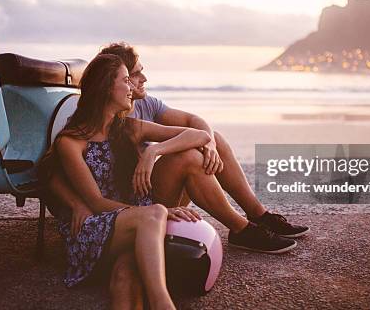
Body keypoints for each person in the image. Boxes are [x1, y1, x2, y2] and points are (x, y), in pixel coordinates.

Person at [40, 53, 209, 309]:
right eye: (126, 80)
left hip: (132, 226)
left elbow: (198, 136)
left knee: (126, 274)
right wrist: (156, 213)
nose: (132, 88)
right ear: (107, 87)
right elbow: (95, 203)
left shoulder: (129, 128)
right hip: (94, 228)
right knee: (154, 214)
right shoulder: (71, 142)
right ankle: (162, 302)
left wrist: (154, 152)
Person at [99, 42, 309, 244]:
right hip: (134, 206)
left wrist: (202, 145)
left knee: (214, 138)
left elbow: (195, 122)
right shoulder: (114, 120)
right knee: (188, 157)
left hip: (154, 194)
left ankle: (259, 215)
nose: (144, 78)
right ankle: (241, 229)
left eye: (141, 71)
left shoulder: (146, 103)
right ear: (116, 80)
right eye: (135, 74)